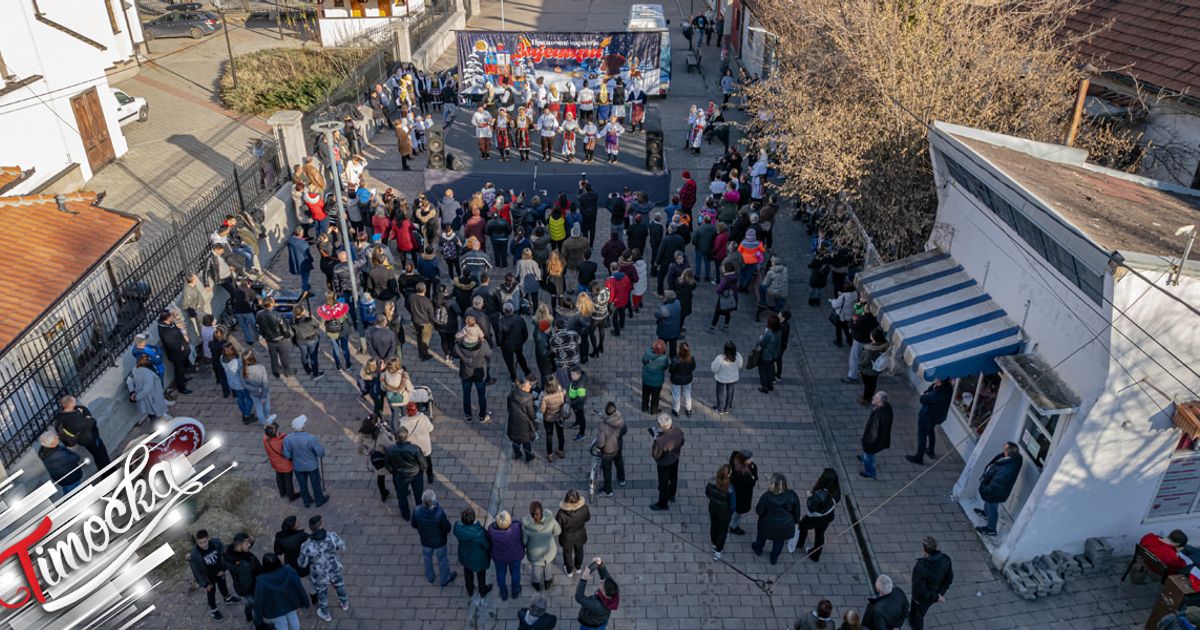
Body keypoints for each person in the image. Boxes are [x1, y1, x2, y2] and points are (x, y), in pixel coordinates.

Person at [298, 515, 350, 622]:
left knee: (322, 593)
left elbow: (302, 564)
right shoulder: (332, 536)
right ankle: (344, 603)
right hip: (333, 568)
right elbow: (343, 546)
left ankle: (326, 614)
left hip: (319, 574)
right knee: (339, 585)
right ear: (321, 525)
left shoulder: (306, 546)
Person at [791, 467, 841, 561]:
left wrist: (810, 496)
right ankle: (816, 555)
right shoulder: (836, 490)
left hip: (816, 518)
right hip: (828, 516)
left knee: (802, 526)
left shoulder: (819, 494)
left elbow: (811, 507)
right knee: (820, 534)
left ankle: (800, 543)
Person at [752, 473, 802, 565]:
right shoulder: (792, 495)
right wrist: (796, 521)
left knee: (762, 536)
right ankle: (773, 558)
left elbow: (759, 511)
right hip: (785, 526)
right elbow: (797, 511)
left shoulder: (766, 496)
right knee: (779, 541)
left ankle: (758, 549)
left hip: (767, 525)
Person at [189, 530, 239, 620]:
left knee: (223, 586)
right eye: (200, 543)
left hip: (219, 572)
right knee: (211, 593)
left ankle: (227, 599)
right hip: (208, 578)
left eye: (205, 541)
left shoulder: (216, 544)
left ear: (208, 538)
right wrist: (205, 584)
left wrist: (223, 569)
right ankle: (214, 610)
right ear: (196, 541)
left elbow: (223, 555)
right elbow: (196, 571)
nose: (203, 544)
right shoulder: (194, 555)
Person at [411, 489, 457, 586]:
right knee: (442, 559)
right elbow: (447, 528)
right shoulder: (439, 513)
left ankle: (430, 577)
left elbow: (414, 524)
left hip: (425, 540)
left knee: (427, 558)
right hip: (440, 542)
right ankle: (444, 579)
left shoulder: (417, 511)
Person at [975, 442, 1022, 536]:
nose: (1002, 450)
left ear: (1008, 452)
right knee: (988, 501)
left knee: (993, 506)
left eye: (1004, 449)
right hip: (995, 489)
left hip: (996, 491)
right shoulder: (1013, 458)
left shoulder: (1007, 469)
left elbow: (997, 483)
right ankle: (985, 513)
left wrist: (986, 487)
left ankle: (991, 529)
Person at [53, 395, 112, 470]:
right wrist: (84, 416)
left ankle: (107, 469)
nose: (76, 402)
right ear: (70, 404)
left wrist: (82, 414)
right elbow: (92, 422)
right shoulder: (73, 419)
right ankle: (108, 472)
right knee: (101, 455)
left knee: (98, 455)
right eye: (74, 401)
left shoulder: (62, 415)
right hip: (90, 439)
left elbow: (85, 410)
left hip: (83, 438)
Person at [253, 553, 310, 630]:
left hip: (274, 607)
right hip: (290, 601)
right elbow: (299, 586)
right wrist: (305, 601)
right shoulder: (289, 570)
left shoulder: (261, 580)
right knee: (293, 618)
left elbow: (259, 600)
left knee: (281, 624)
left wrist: (258, 619)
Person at [909, 536, 953, 630]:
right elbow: (949, 578)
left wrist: (937, 597)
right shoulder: (946, 559)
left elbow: (919, 590)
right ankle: (912, 618)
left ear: (924, 550)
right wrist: (939, 594)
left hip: (921, 598)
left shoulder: (921, 568)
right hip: (932, 596)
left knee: (918, 616)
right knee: (920, 611)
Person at [283, 415, 328, 507]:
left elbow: (287, 455)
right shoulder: (310, 438)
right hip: (311, 465)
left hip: (298, 466)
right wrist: (321, 454)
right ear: (303, 427)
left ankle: (306, 501)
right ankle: (319, 500)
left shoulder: (287, 439)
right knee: (315, 483)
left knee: (302, 485)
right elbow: (320, 452)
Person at [906, 379, 954, 465]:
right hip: (937, 417)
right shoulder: (948, 388)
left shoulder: (938, 393)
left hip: (927, 416)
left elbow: (923, 399)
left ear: (941, 380)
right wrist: (932, 389)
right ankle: (930, 450)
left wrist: (929, 392)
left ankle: (919, 457)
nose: (936, 379)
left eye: (938, 378)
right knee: (931, 431)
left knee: (922, 436)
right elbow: (927, 392)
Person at [386, 426, 427, 521]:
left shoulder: (391, 450)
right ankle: (419, 514)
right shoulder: (414, 449)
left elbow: (388, 465)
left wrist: (394, 471)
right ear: (407, 436)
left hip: (400, 475)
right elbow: (423, 463)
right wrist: (422, 470)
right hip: (415, 474)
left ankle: (406, 515)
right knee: (418, 495)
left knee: (402, 496)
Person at [457, 321, 493, 423]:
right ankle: (482, 416)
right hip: (478, 373)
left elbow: (455, 351)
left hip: (465, 373)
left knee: (466, 394)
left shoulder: (460, 344)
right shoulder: (482, 345)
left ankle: (468, 415)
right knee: (481, 395)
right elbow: (489, 354)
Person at [523, 501, 562, 592]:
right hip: (548, 551)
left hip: (534, 554)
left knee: (535, 568)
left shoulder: (527, 527)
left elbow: (524, 541)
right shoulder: (550, 520)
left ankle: (536, 584)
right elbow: (558, 531)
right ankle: (548, 581)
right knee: (548, 566)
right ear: (542, 511)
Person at [454, 508, 493, 598]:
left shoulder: (457, 528)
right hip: (478, 558)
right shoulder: (478, 533)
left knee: (467, 573)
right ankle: (482, 590)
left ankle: (470, 590)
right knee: (481, 575)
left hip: (464, 555)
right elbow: (486, 545)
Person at [649, 414, 685, 511]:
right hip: (675, 459)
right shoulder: (678, 431)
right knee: (674, 477)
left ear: (662, 426)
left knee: (663, 483)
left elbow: (656, 454)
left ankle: (662, 504)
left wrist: (655, 440)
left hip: (664, 464)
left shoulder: (660, 441)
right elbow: (682, 442)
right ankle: (672, 495)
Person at [223, 533, 261, 623]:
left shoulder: (231, 550)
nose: (249, 545)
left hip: (241, 586)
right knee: (256, 606)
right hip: (249, 588)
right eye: (247, 543)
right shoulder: (244, 566)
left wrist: (250, 541)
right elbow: (247, 582)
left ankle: (248, 617)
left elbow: (244, 549)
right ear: (239, 545)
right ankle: (260, 625)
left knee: (249, 602)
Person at [488, 510, 525, 602]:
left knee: (500, 573)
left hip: (499, 557)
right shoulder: (516, 528)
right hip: (515, 556)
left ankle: (503, 593)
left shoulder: (492, 531)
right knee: (515, 573)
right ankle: (515, 591)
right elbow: (519, 525)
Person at [575, 557, 619, 630]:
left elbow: (579, 597)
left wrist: (583, 579)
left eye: (602, 584)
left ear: (604, 593)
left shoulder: (597, 605)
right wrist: (600, 564)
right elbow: (606, 577)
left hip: (590, 625)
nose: (601, 581)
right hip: (602, 621)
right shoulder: (613, 592)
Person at [272, 516, 312, 595]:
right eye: (296, 522)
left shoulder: (280, 537)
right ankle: (313, 595)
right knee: (308, 580)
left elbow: (278, 551)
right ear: (293, 527)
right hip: (303, 562)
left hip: (290, 563)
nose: (298, 522)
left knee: (298, 580)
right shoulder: (302, 536)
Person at [556, 489, 591, 577]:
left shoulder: (561, 513)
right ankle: (578, 567)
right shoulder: (584, 508)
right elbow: (587, 518)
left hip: (566, 538)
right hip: (580, 535)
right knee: (579, 551)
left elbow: (558, 526)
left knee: (567, 554)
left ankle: (569, 571)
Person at [859, 392, 893, 479]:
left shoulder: (878, 417)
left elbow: (872, 434)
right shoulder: (886, 407)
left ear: (880, 402)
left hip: (873, 443)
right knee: (868, 454)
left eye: (876, 398)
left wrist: (865, 441)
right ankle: (864, 457)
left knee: (869, 457)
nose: (873, 397)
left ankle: (870, 473)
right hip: (881, 438)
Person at [595, 402, 627, 496]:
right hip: (618, 447)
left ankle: (608, 490)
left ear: (606, 412)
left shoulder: (603, 426)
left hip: (607, 452)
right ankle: (622, 479)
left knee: (607, 470)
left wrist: (598, 447)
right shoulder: (621, 419)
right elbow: (625, 430)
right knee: (619, 463)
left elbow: (600, 443)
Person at [400, 402, 436, 484]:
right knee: (428, 462)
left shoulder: (403, 422)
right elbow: (431, 428)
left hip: (413, 448)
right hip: (425, 447)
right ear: (416, 409)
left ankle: (418, 479)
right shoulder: (423, 418)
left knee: (416, 464)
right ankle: (430, 477)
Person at [263, 423, 300, 501]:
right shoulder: (282, 441)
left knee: (279, 476)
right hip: (285, 464)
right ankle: (291, 495)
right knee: (288, 480)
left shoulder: (265, 439)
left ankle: (282, 492)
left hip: (275, 463)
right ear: (276, 433)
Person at [130, 354, 170, 424]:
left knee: (152, 416)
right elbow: (146, 389)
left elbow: (130, 381)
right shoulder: (148, 374)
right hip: (152, 399)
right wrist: (136, 397)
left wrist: (133, 393)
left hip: (149, 399)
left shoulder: (135, 370)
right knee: (155, 418)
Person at [706, 464, 735, 560]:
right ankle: (718, 550)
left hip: (713, 508)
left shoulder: (711, 482)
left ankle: (714, 543)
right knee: (722, 531)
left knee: (714, 526)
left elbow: (707, 493)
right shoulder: (730, 489)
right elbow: (733, 505)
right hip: (724, 513)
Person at [508, 378, 539, 463]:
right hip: (524, 424)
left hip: (513, 421)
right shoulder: (528, 398)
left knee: (515, 440)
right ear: (522, 387)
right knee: (526, 441)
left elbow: (508, 406)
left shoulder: (513, 392)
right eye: (528, 385)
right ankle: (528, 456)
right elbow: (531, 415)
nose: (530, 386)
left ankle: (517, 454)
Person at [242, 350, 275, 425]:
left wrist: (255, 389)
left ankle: (265, 424)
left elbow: (244, 384)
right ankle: (267, 417)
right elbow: (265, 383)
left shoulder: (243, 371)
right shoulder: (261, 368)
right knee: (266, 404)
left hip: (253, 393)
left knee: (258, 408)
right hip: (263, 391)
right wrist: (263, 394)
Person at [858, 328, 889, 404]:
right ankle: (871, 395)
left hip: (867, 371)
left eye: (871, 335)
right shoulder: (884, 346)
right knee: (873, 384)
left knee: (867, 385)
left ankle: (865, 398)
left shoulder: (870, 349)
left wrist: (860, 365)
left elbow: (866, 361)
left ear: (874, 337)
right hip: (876, 369)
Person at [711, 341, 743, 414]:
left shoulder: (720, 358)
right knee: (730, 393)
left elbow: (714, 369)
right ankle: (727, 408)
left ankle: (719, 408)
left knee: (720, 393)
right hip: (733, 378)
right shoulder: (738, 356)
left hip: (721, 379)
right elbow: (740, 366)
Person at [540, 378, 568, 462]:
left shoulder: (545, 396)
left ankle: (550, 455)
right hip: (559, 416)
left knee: (549, 435)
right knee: (560, 434)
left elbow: (542, 410)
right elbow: (564, 402)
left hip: (548, 418)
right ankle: (561, 451)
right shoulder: (561, 392)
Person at [754, 315, 782, 393]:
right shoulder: (779, 331)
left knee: (762, 371)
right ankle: (770, 385)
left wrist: (760, 338)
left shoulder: (769, 333)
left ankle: (764, 387)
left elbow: (761, 343)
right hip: (774, 354)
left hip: (766, 355)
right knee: (770, 370)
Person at [641, 340, 669, 415]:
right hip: (657, 381)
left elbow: (643, 360)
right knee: (655, 396)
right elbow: (666, 366)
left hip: (646, 379)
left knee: (645, 394)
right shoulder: (664, 358)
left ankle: (644, 407)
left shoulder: (647, 352)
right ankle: (654, 410)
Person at [668, 341, 696, 417]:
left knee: (676, 395)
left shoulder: (675, 359)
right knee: (687, 394)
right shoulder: (691, 358)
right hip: (687, 379)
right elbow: (693, 367)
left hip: (676, 380)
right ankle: (688, 409)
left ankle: (676, 410)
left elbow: (671, 370)